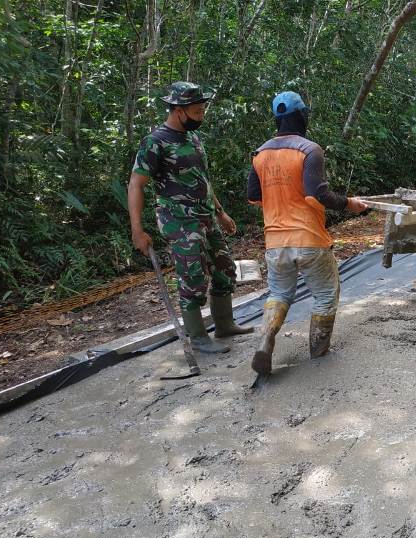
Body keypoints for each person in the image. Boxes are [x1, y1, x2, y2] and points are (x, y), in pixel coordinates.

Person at [247, 91, 367, 376]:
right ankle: (318, 350)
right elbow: (317, 195)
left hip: (275, 241)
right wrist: (351, 204)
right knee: (326, 294)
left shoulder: (260, 154)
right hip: (309, 239)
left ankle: (266, 338)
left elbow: (254, 196)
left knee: (279, 293)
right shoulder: (309, 150)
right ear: (301, 116)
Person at [128, 81, 253, 354]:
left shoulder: (193, 138)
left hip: (206, 215)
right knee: (193, 276)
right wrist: (137, 230)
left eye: (202, 110)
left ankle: (224, 324)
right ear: (178, 110)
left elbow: (203, 180)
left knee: (224, 269)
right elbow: (136, 184)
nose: (201, 116)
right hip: (179, 220)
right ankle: (197, 337)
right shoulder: (155, 142)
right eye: (197, 111)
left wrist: (220, 212)